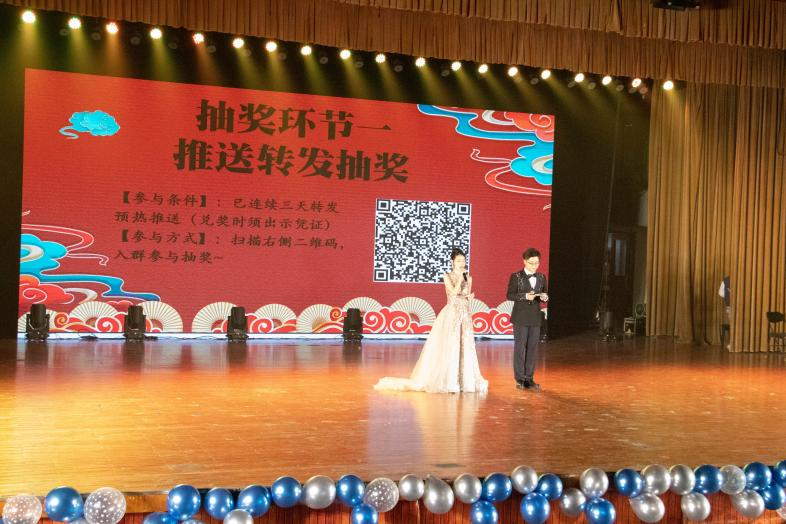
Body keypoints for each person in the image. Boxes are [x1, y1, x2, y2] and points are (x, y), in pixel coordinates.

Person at [374, 248, 488, 393]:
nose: (462, 263)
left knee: (465, 345)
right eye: (458, 261)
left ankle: (464, 381)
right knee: (451, 345)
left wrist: (470, 297)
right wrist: (460, 278)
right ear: (452, 262)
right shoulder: (447, 276)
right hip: (452, 313)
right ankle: (450, 381)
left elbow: (465, 295)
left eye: (463, 261)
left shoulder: (469, 278)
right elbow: (453, 293)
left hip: (465, 314)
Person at [507, 248, 548, 391]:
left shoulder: (541, 277)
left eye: (537, 263)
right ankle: (520, 379)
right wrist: (525, 296)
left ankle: (529, 378)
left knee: (532, 349)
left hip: (535, 317)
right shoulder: (516, 276)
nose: (534, 266)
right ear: (524, 261)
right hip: (520, 317)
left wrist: (544, 297)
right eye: (531, 263)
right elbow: (510, 295)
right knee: (520, 348)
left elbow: (543, 293)